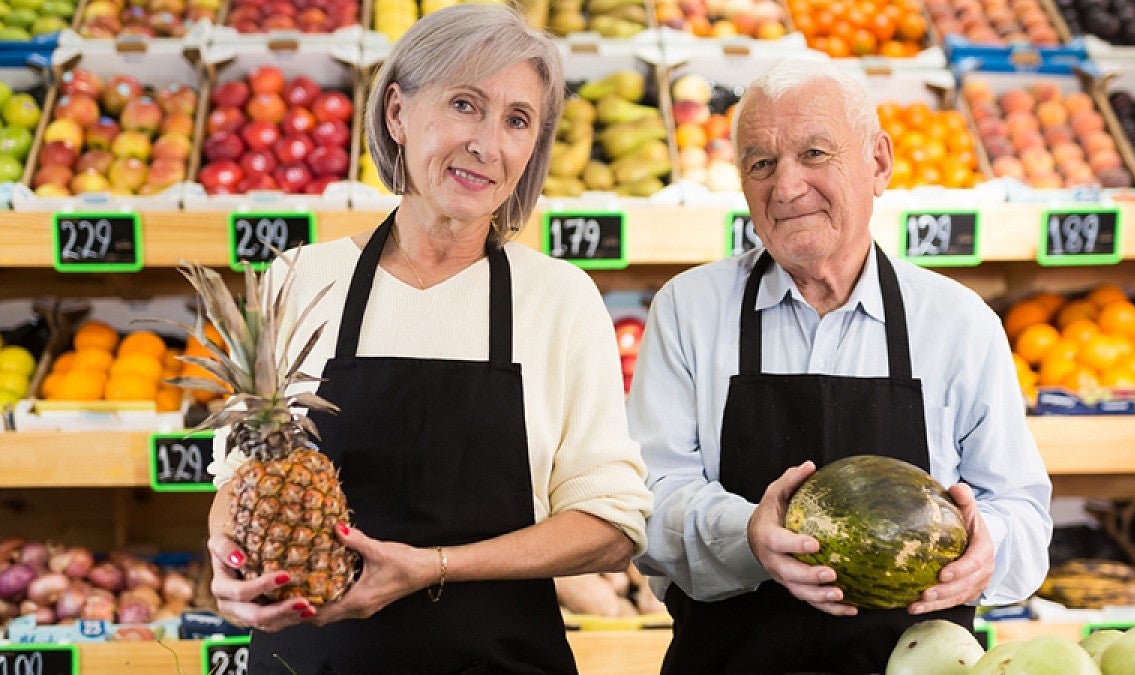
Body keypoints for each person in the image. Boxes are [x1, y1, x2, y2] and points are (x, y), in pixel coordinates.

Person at [203, 5, 653, 672]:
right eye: (465, 104)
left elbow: (611, 530)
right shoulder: (298, 280)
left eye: (517, 120)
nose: (488, 143)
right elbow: (238, 476)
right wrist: (228, 560)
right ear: (396, 113)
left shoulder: (560, 298)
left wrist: (434, 566)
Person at [627, 59, 1053, 674]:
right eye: (761, 163)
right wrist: (747, 534)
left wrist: (989, 547)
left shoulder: (959, 324)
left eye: (815, 153)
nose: (787, 186)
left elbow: (1024, 518)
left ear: (878, 163)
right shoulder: (688, 310)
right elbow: (650, 501)